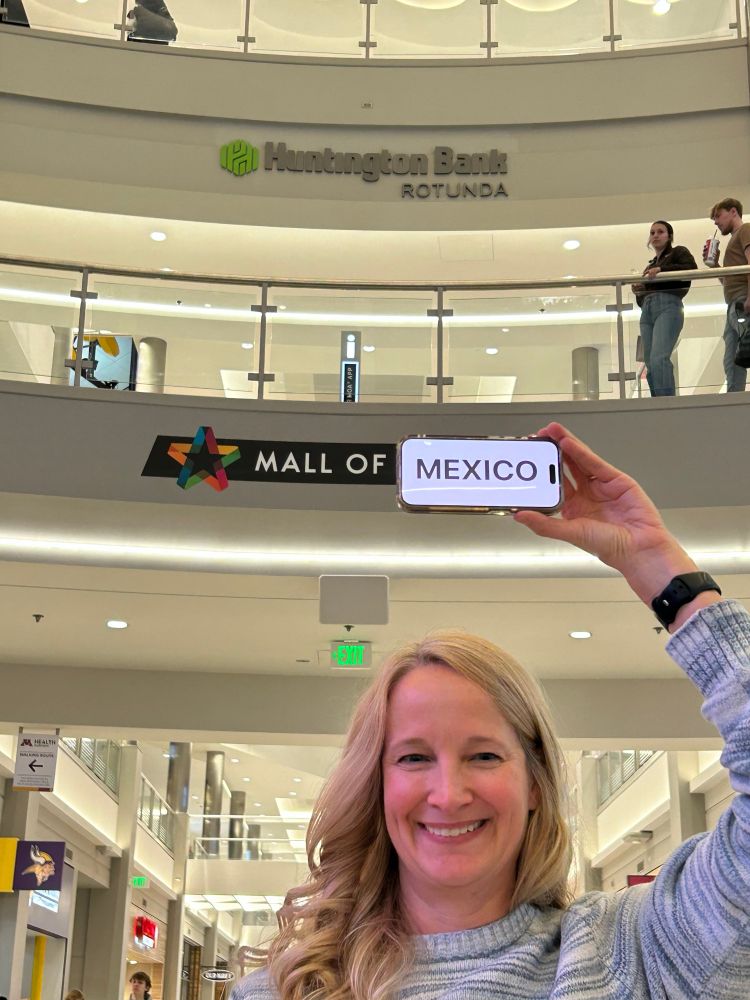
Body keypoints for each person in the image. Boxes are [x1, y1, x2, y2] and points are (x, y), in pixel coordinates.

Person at [230, 422, 750, 1000]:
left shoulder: (633, 952)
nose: (449, 794)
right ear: (374, 784)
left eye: (483, 755)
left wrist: (659, 567)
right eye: (412, 757)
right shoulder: (281, 990)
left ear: (534, 782)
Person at [631, 220, 696, 396]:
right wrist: (639, 291)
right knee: (650, 362)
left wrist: (661, 270)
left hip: (668, 305)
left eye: (660, 232)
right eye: (652, 233)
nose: (656, 235)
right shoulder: (650, 265)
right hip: (647, 310)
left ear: (669, 236)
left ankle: (667, 403)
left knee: (659, 358)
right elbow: (641, 301)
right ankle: (658, 401)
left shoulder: (678, 252)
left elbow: (691, 269)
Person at [703, 197, 750, 392]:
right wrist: (715, 266)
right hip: (733, 302)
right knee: (733, 359)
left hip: (742, 299)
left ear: (733, 211)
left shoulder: (745, 230)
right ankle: (735, 398)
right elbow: (728, 281)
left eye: (718, 216)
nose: (715, 222)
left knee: (742, 352)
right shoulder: (734, 239)